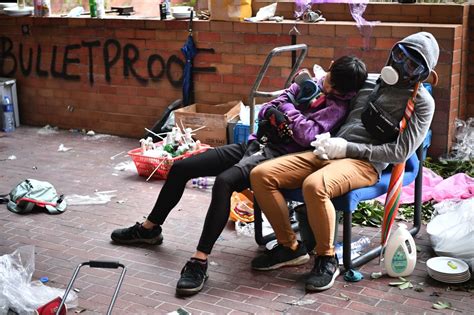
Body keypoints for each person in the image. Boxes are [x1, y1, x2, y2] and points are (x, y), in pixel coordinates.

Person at [110, 55, 368, 296]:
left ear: (348, 92)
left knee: (224, 183)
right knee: (181, 168)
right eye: (330, 81)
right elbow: (269, 107)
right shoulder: (309, 83)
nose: (329, 88)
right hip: (256, 144)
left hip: (277, 157)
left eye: (337, 89)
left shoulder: (336, 106)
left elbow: (306, 135)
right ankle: (149, 229)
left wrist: (287, 111)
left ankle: (199, 261)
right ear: (330, 67)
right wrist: (284, 111)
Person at [249, 32, 439, 292]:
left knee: (315, 185)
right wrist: (304, 93)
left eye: (411, 65)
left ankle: (327, 260)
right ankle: (290, 248)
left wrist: (347, 148)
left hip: (364, 163)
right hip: (327, 150)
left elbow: (400, 152)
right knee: (261, 175)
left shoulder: (421, 103)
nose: (400, 66)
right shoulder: (370, 82)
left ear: (423, 72)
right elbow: (328, 87)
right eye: (399, 55)